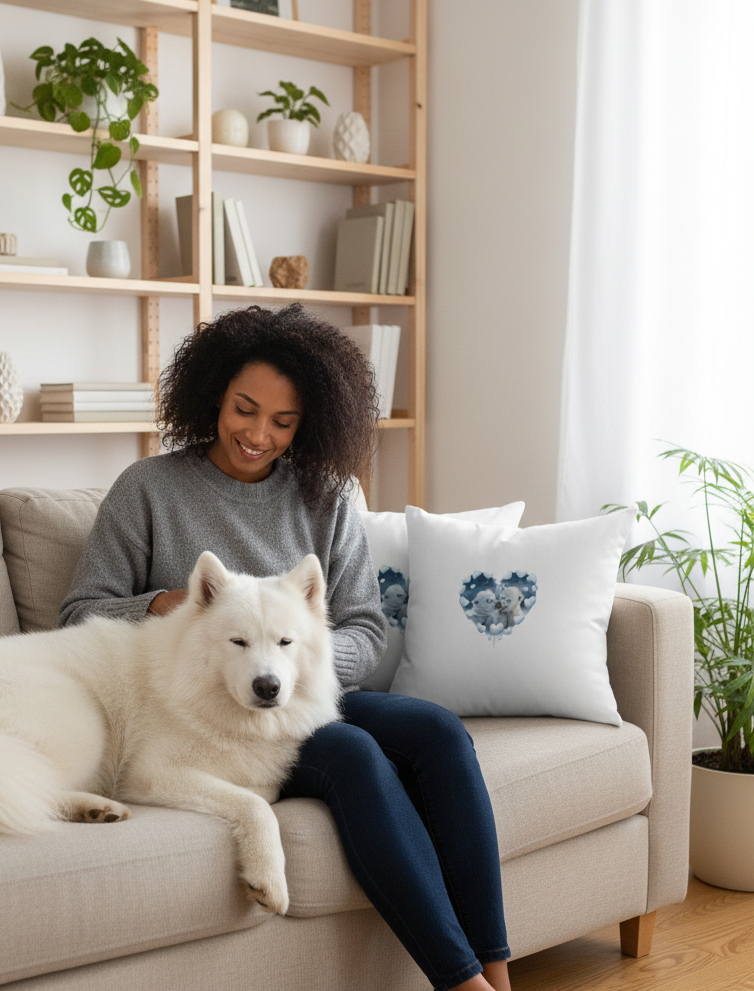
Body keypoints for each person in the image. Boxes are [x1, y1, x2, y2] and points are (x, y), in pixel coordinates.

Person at [60, 304, 512, 991]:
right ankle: (461, 982)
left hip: (310, 694)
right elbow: (80, 613)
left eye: (283, 422)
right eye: (245, 410)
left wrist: (309, 669)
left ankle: (498, 970)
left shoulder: (328, 496)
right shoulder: (148, 490)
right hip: (216, 719)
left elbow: (363, 623)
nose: (258, 434)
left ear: (309, 422)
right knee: (354, 755)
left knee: (439, 733)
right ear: (213, 394)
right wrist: (171, 609)